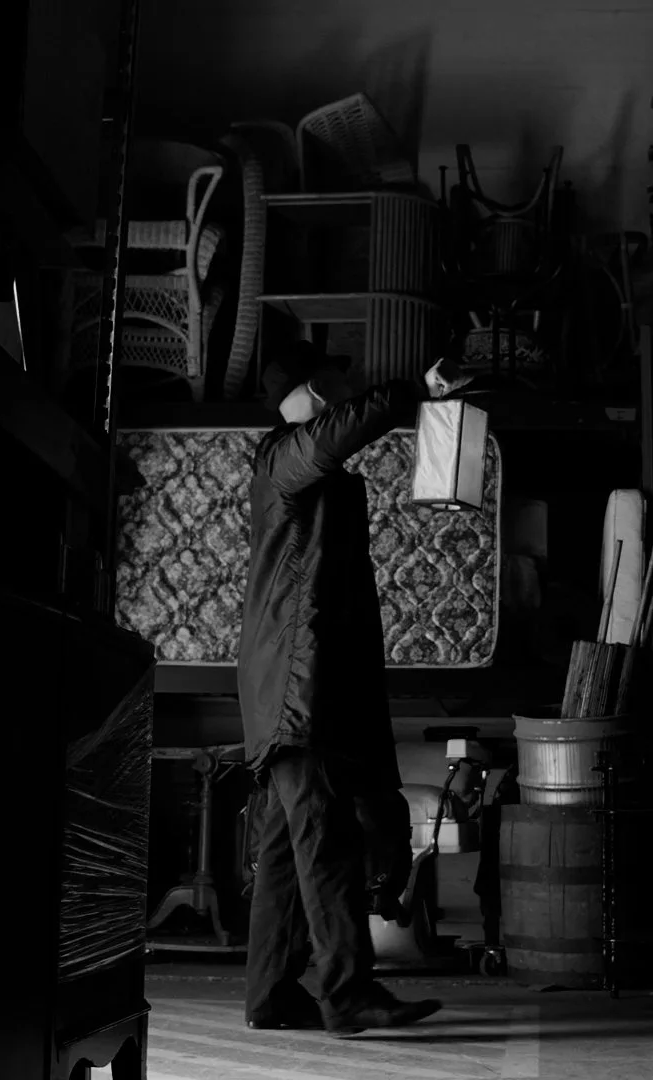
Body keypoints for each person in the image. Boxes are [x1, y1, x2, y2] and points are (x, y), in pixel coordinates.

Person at [238, 340, 473, 1037]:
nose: (345, 389)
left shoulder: (315, 477)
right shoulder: (284, 457)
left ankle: (272, 996)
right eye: (334, 382)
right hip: (292, 690)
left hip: (305, 684)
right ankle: (346, 994)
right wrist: (415, 393)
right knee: (328, 839)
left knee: (286, 851)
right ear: (307, 397)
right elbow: (345, 429)